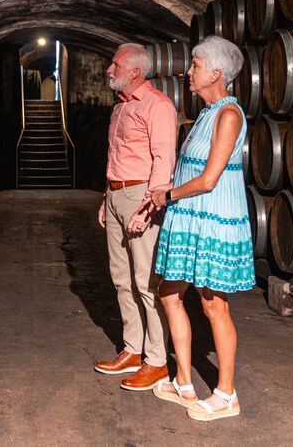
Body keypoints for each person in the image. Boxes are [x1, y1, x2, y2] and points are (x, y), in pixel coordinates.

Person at [147, 35, 255, 421]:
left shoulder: (229, 115)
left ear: (214, 73)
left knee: (213, 304)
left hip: (213, 220)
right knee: (169, 292)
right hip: (191, 218)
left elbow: (209, 179)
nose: (187, 71)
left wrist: (168, 195)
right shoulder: (207, 113)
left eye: (194, 65)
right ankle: (184, 383)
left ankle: (227, 394)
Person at [94, 43, 177, 391]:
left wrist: (148, 208)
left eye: (115, 65)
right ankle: (133, 347)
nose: (109, 70)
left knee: (146, 282)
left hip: (141, 195)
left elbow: (163, 160)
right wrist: (106, 197)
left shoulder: (157, 106)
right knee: (120, 278)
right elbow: (118, 156)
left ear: (135, 72)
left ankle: (157, 360)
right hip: (116, 194)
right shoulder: (121, 107)